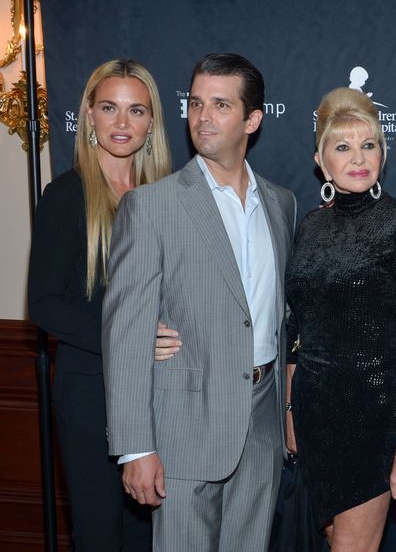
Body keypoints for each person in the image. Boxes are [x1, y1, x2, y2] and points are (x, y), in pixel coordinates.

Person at [102, 53, 296, 550]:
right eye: (195, 103)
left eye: (220, 105)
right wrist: (135, 448)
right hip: (183, 426)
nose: (202, 116)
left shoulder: (282, 204)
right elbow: (125, 334)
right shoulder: (153, 206)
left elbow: (278, 318)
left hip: (262, 421)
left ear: (252, 120)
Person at [28, 58, 172, 551]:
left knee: (149, 537)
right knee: (99, 537)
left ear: (152, 122)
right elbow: (45, 304)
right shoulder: (67, 196)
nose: (122, 123)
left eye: (136, 111)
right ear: (89, 114)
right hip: (91, 395)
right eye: (109, 108)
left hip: (160, 396)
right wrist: (131, 338)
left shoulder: (166, 197)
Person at [284, 87, 396, 552]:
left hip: (372, 421)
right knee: (333, 538)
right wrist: (291, 411)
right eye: (342, 146)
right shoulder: (310, 226)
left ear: (382, 153)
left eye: (368, 145)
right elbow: (298, 328)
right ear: (320, 159)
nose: (358, 158)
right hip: (315, 415)